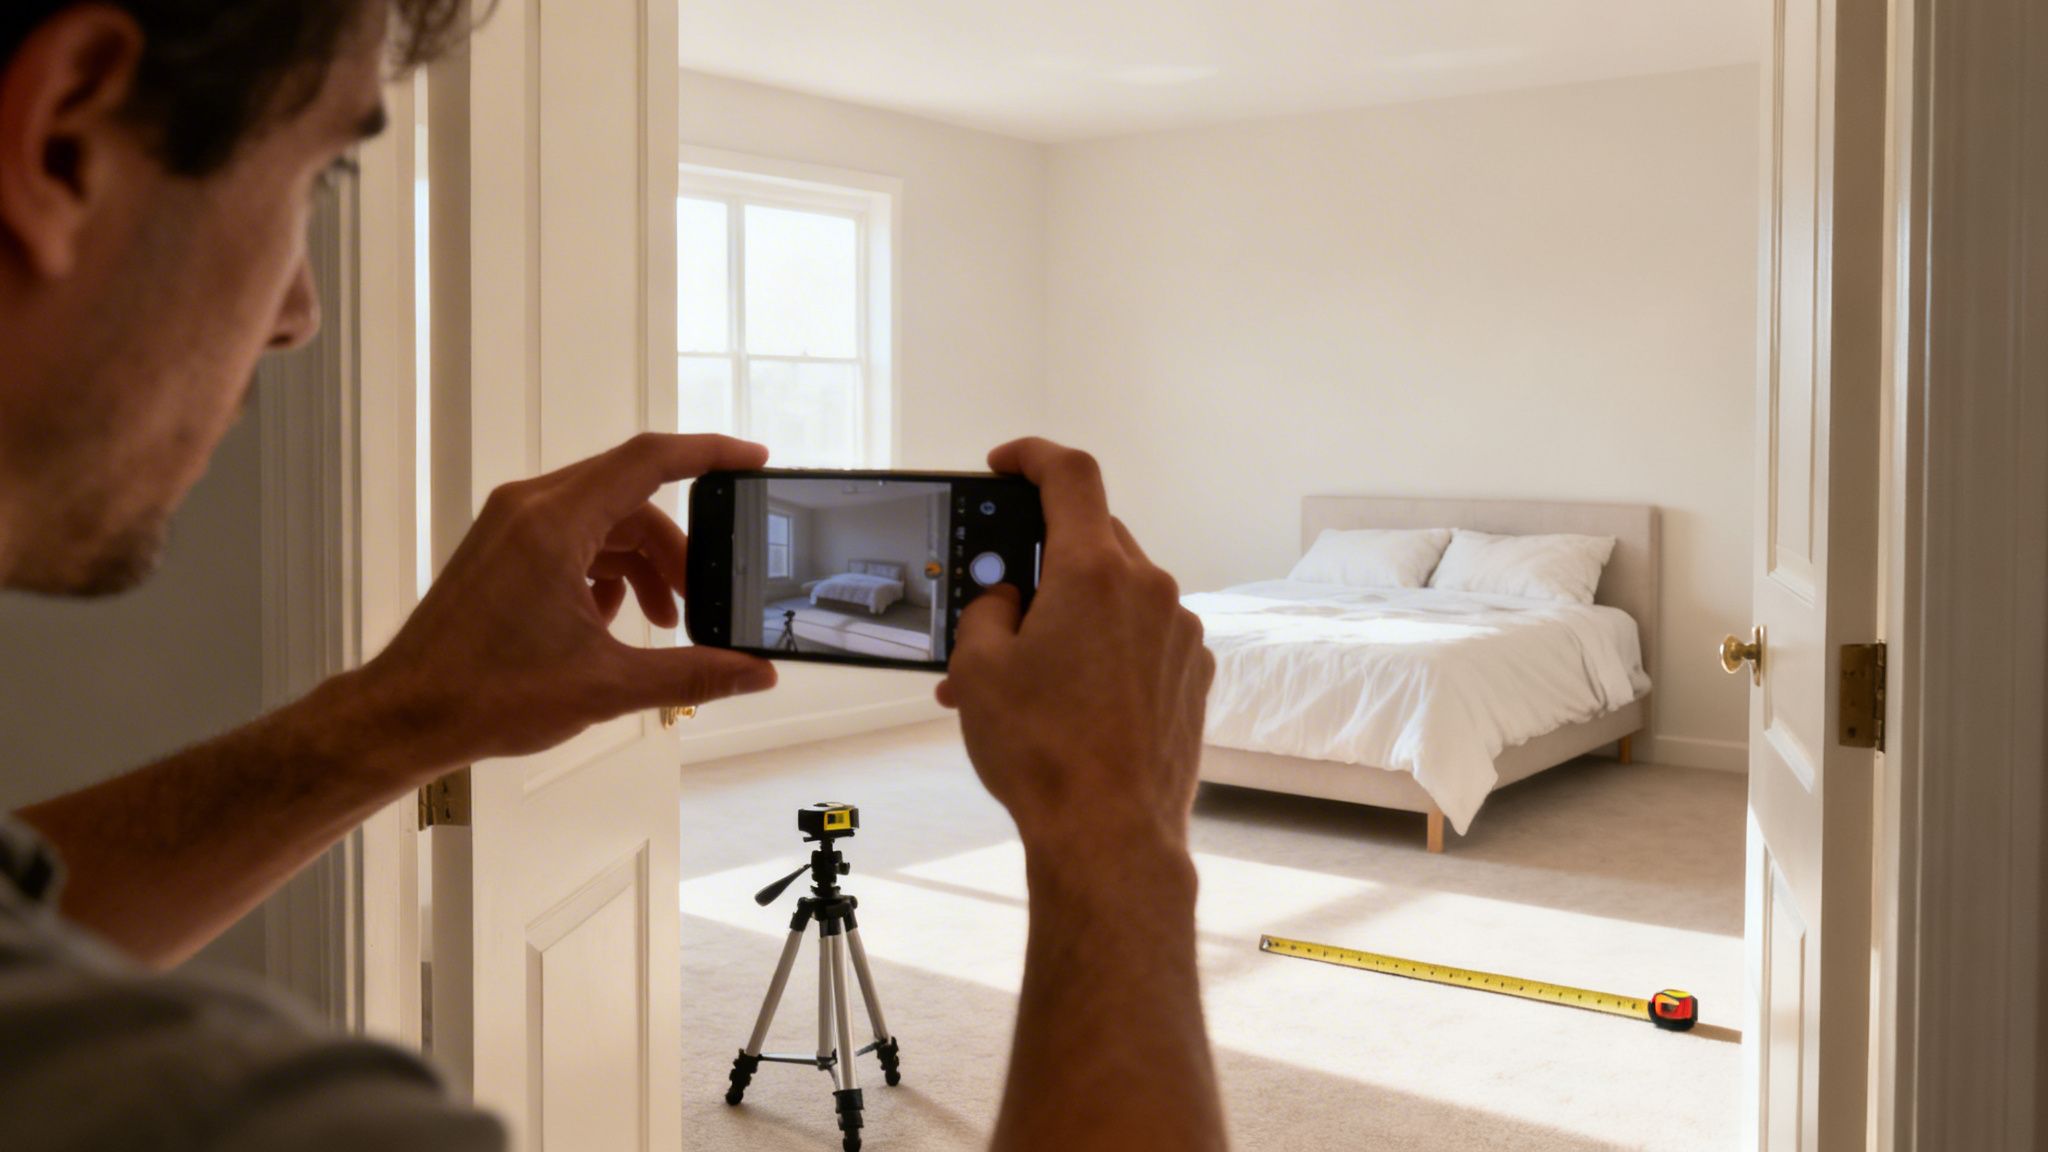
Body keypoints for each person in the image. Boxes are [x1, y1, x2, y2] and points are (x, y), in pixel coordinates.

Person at [0, 1, 1228, 1149]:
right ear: (63, 140)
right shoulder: (244, 1113)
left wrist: (399, 713)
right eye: (319, 173)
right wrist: (1118, 845)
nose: (300, 313)